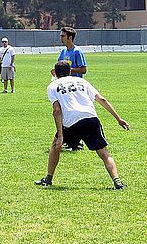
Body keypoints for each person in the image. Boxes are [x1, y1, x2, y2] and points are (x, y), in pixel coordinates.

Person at [35, 60, 129, 190]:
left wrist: (61, 136)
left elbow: (56, 110)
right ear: (70, 71)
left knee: (55, 146)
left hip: (71, 121)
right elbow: (102, 99)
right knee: (103, 152)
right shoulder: (82, 81)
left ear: (55, 73)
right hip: (90, 118)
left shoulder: (52, 86)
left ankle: (48, 179)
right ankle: (117, 182)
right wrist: (118, 118)